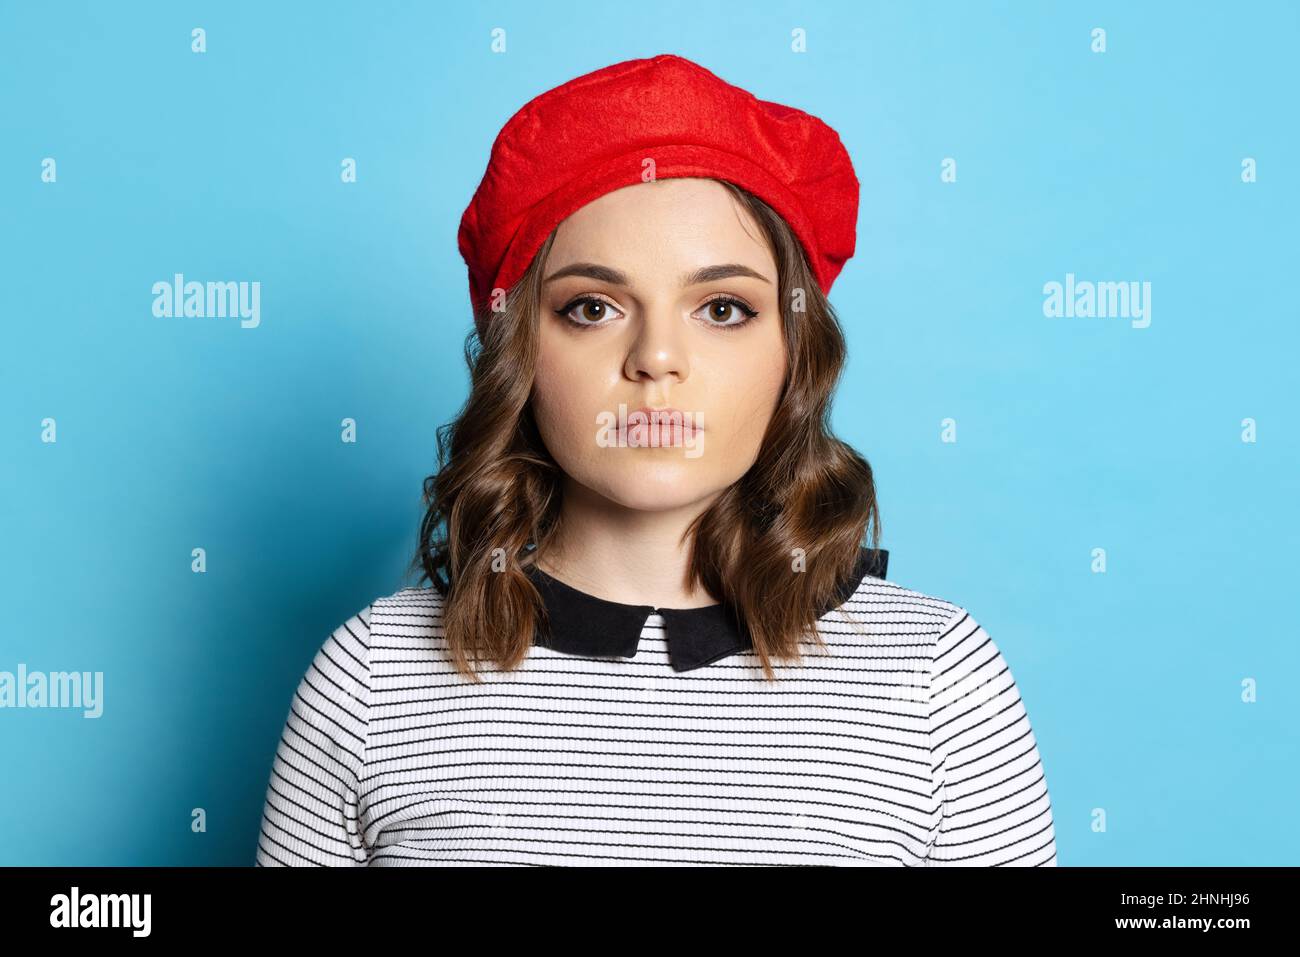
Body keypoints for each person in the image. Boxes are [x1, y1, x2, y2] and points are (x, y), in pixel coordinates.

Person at [255, 53, 1057, 867]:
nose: (657, 359)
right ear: (520, 351)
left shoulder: (934, 681)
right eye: (592, 307)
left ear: (793, 351)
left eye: (722, 307)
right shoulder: (373, 679)